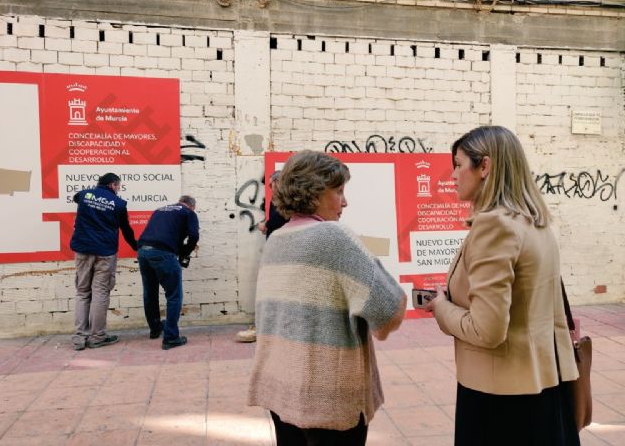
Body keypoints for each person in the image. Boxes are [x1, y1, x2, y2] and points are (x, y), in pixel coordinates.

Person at [424, 126, 580, 445]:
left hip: (500, 396)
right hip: (543, 384)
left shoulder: (495, 225)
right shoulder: (535, 222)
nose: (452, 175)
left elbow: (488, 330)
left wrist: (441, 307)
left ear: (485, 166)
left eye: (458, 164)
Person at [248, 150, 407, 445]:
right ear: (314, 192)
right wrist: (368, 260)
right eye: (339, 191)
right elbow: (389, 309)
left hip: (281, 390)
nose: (345, 202)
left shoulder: (277, 239)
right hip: (327, 399)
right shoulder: (334, 237)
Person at [70, 172, 138, 350]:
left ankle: (79, 338)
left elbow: (76, 198)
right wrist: (135, 246)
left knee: (82, 292)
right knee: (100, 293)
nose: (119, 189)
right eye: (118, 186)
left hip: (83, 249)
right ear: (113, 185)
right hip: (105, 252)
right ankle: (97, 337)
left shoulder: (84, 195)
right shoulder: (119, 204)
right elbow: (126, 229)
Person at [137, 195, 199, 350]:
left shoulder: (160, 210)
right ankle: (171, 337)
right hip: (163, 254)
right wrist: (185, 252)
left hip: (143, 252)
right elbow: (194, 236)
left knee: (150, 293)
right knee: (174, 295)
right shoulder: (188, 212)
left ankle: (155, 329)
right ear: (192, 206)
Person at [236, 171, 288, 343]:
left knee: (273, 286)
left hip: (281, 248)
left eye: (271, 184)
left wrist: (265, 225)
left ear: (278, 181)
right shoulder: (281, 197)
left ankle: (266, 327)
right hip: (278, 245)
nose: (270, 187)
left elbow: (280, 218)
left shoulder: (284, 197)